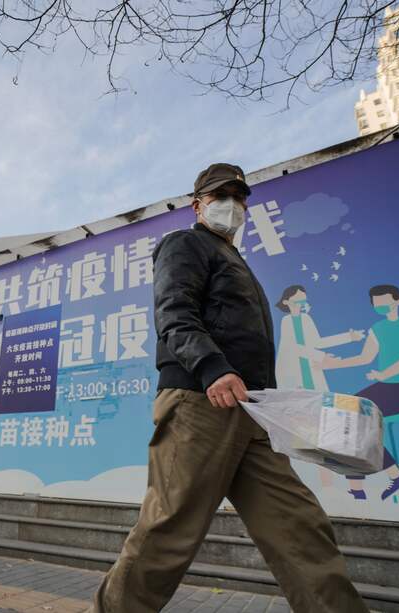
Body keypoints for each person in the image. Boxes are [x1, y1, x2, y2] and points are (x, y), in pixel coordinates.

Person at [91, 164, 367, 613]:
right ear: (196, 204)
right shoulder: (185, 244)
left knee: (299, 527)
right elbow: (174, 313)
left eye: (241, 197)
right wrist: (211, 367)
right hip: (202, 403)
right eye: (222, 195)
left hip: (251, 412)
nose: (233, 205)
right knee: (168, 531)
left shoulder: (236, 260)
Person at [323, 284, 399, 501]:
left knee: (353, 419)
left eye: (385, 302)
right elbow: (364, 358)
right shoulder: (378, 328)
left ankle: (385, 478)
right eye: (377, 304)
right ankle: (360, 489)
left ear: (398, 301)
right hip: (389, 386)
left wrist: (386, 373)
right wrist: (331, 365)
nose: (381, 306)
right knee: (343, 414)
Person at [275, 285, 364, 391]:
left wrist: (349, 337)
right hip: (292, 368)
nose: (300, 304)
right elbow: (291, 347)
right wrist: (321, 357)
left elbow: (318, 342)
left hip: (311, 367)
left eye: (303, 301)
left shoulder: (306, 318)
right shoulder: (286, 321)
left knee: (319, 400)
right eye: (297, 301)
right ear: (286, 302)